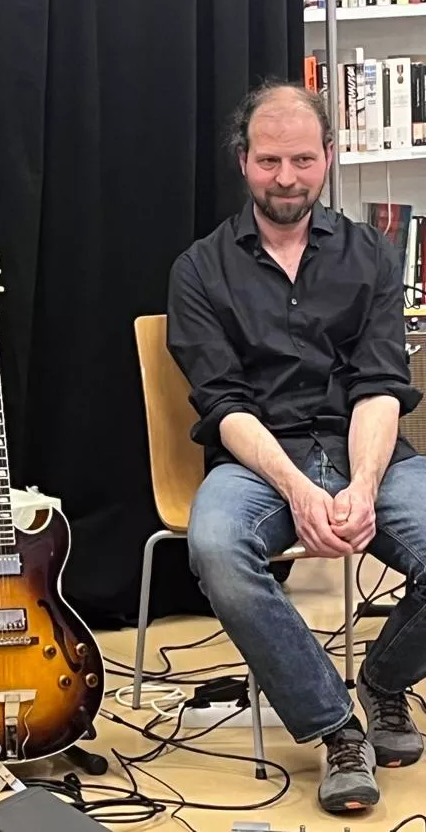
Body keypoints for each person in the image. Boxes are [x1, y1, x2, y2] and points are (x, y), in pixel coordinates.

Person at [167, 81, 426, 815]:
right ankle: (335, 726)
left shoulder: (371, 255)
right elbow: (223, 407)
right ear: (243, 161)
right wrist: (300, 490)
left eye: (303, 160)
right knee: (216, 547)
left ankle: (382, 680)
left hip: (364, 449)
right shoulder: (199, 270)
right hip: (256, 460)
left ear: (330, 159)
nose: (287, 178)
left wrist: (363, 485)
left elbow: (382, 383)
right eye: (270, 160)